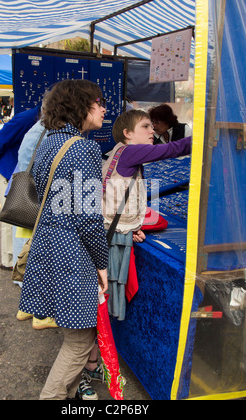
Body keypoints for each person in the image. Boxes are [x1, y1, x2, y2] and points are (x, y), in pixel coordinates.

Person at [18, 80, 109, 401]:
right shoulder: (84, 149)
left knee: (74, 334)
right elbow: (87, 217)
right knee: (79, 341)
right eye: (99, 102)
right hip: (73, 253)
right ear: (81, 106)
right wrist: (102, 263)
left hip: (48, 247)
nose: (104, 108)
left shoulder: (48, 143)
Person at [102, 109, 191, 321]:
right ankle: (106, 338)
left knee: (113, 285)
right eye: (145, 126)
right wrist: (202, 139)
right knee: (114, 288)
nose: (152, 131)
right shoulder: (130, 152)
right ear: (128, 133)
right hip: (115, 234)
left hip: (114, 229)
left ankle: (103, 337)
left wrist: (131, 227)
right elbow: (171, 149)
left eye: (152, 126)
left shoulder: (117, 153)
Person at [0, 105, 41, 270]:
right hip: (9, 170)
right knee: (10, 214)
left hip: (19, 171)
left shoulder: (37, 117)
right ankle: (9, 260)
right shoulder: (27, 118)